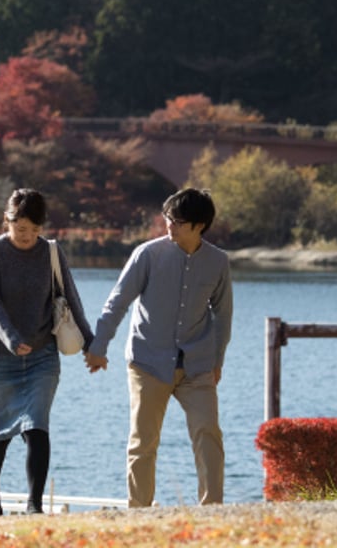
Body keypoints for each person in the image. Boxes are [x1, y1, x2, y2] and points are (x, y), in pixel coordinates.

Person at [85, 187, 233, 507]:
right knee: (143, 442)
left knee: (208, 432)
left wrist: (218, 360)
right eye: (168, 218)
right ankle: (139, 513)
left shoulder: (218, 262)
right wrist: (99, 347)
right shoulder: (148, 255)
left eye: (178, 221)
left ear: (199, 226)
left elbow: (223, 316)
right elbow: (117, 303)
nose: (169, 225)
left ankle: (213, 510)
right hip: (148, 362)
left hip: (197, 365)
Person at [0, 188, 93, 515]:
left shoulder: (51, 253)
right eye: (20, 229)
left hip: (43, 355)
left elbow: (71, 299)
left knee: (37, 424)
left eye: (34, 229)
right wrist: (12, 338)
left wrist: (91, 342)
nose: (27, 236)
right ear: (6, 222)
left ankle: (34, 505)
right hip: (1, 357)